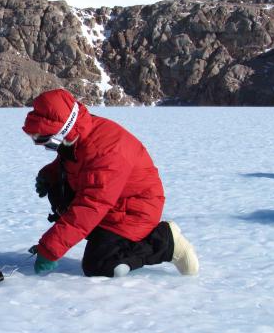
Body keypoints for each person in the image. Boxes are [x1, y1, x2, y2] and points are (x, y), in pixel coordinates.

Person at [22, 88, 199, 277]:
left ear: (64, 131)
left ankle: (166, 243)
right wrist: (49, 175)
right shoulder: (78, 136)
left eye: (47, 142)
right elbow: (73, 164)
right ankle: (101, 239)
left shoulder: (106, 152)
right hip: (112, 204)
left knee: (99, 265)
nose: (46, 148)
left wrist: (51, 249)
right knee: (58, 188)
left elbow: (90, 206)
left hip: (134, 211)